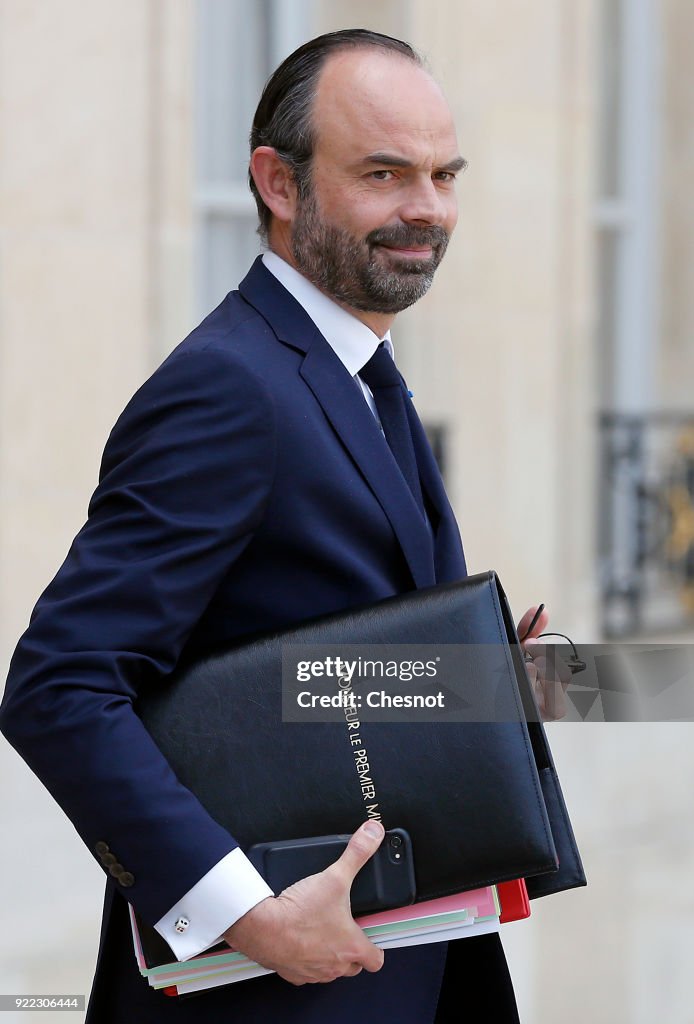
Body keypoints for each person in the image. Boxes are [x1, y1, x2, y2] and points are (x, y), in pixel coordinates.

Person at [0, 28, 556, 1023]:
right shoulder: (228, 387)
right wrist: (246, 914)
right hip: (266, 991)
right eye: (383, 172)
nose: (424, 208)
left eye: (442, 174)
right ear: (279, 182)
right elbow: (59, 686)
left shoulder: (354, 372)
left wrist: (466, 680)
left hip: (404, 965)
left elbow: (290, 654)